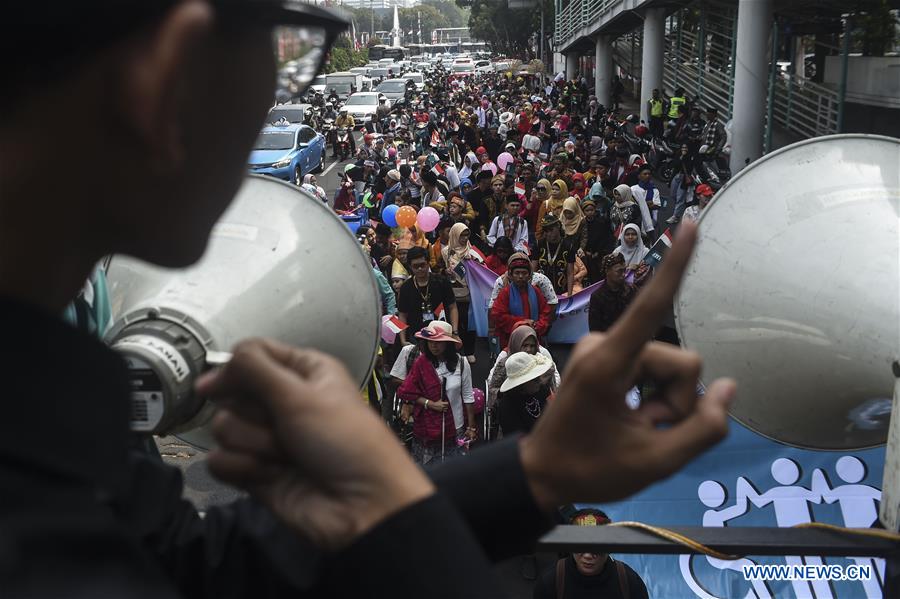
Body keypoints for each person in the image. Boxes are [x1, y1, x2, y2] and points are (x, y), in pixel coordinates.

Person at [2, 0, 737, 593]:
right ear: (168, 76)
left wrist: (536, 471)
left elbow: (191, 559)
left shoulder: (49, 405)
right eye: (295, 45)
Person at [397, 321, 477, 465]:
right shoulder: (420, 363)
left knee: (452, 471)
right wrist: (430, 404)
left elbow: (467, 396)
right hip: (426, 429)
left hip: (455, 427)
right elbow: (408, 392)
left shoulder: (462, 364)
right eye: (430, 341)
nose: (434, 345)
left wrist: (471, 427)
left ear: (448, 343)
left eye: (439, 342)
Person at [533, 508, 649, 599]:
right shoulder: (551, 581)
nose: (588, 555)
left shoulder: (628, 581)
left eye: (596, 547)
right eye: (580, 545)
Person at [487, 325, 560, 411]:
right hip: (512, 407)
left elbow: (552, 390)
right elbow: (493, 390)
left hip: (539, 406)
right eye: (524, 345)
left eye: (532, 346)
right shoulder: (505, 364)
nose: (529, 349)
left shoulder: (543, 363)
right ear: (516, 344)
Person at [397, 246, 458, 346]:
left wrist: (455, 332)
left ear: (428, 262)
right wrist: (403, 340)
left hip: (442, 334)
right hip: (417, 336)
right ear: (410, 267)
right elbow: (402, 315)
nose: (420, 269)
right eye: (415, 266)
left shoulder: (441, 281)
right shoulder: (406, 287)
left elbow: (453, 307)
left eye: (422, 265)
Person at [491, 253, 553, 349]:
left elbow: (545, 312)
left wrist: (538, 326)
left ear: (529, 276)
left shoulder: (536, 291)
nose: (520, 276)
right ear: (511, 275)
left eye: (524, 273)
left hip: (533, 337)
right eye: (517, 273)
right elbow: (498, 315)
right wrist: (524, 323)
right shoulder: (505, 293)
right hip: (511, 340)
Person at [441, 223, 483, 362]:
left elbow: (482, 271)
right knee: (453, 324)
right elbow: (442, 269)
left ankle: (470, 351)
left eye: (467, 235)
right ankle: (456, 351)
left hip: (468, 294)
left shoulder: (472, 253)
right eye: (461, 235)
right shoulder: (446, 252)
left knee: (469, 323)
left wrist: (474, 263)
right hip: (451, 294)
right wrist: (445, 272)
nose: (464, 238)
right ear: (454, 235)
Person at [496, 352, 554, 436]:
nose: (540, 381)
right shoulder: (507, 406)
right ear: (522, 383)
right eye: (535, 379)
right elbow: (517, 441)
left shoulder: (540, 389)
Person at [589, 253, 638, 332]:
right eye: (619, 271)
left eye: (624, 270)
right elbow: (595, 330)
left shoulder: (631, 290)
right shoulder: (597, 297)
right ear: (607, 271)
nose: (623, 275)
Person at [535, 214, 576, 297]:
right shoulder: (539, 244)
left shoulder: (568, 246)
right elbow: (533, 269)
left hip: (561, 290)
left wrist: (570, 294)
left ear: (558, 226)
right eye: (545, 231)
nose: (548, 234)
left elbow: (570, 273)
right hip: (541, 290)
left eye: (551, 230)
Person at [630, 164, 658, 235]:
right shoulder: (633, 189)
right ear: (639, 176)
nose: (647, 176)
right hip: (635, 220)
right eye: (645, 174)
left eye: (649, 174)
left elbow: (656, 205)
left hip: (650, 220)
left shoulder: (654, 190)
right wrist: (646, 203)